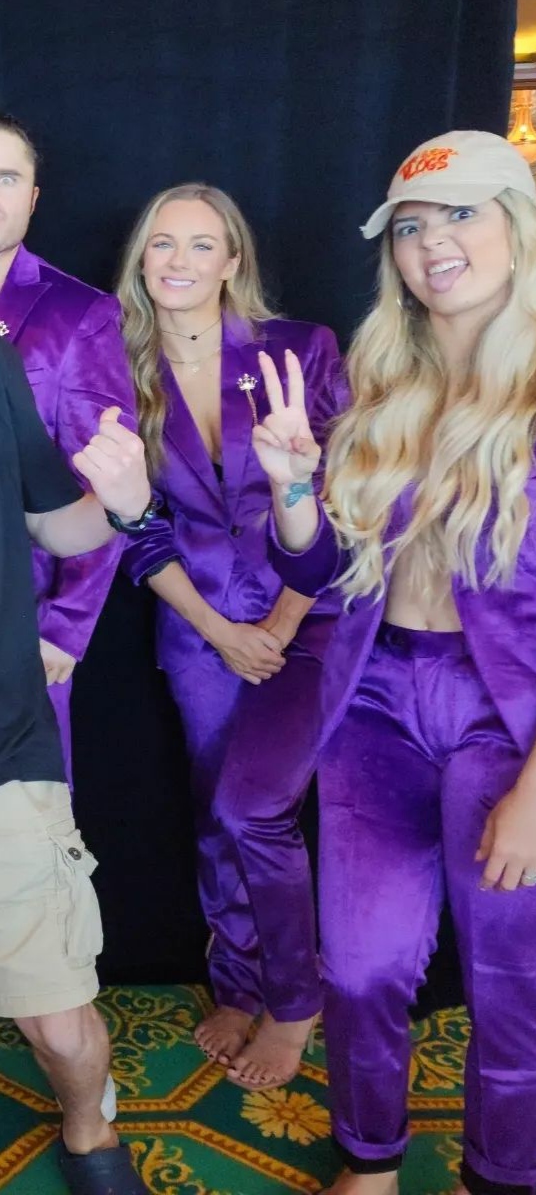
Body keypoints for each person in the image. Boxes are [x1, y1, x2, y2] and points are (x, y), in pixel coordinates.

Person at [252, 131, 536, 1194]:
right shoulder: (383, 386)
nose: (432, 243)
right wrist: (291, 487)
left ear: (520, 226)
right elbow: (325, 568)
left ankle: (498, 1176)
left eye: (461, 213)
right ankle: (368, 1161)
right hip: (374, 700)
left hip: (509, 719)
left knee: (513, 980)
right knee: (364, 966)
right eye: (411, 226)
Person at [117, 183, 346, 1088]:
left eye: (201, 244)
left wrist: (282, 620)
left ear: (233, 261)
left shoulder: (301, 348)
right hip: (196, 625)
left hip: (311, 615)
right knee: (219, 812)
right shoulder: (118, 367)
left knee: (260, 810)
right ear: (142, 259)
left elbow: (345, 493)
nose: (178, 261)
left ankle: (294, 999)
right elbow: (136, 527)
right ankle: (239, 983)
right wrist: (218, 631)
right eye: (161, 243)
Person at [0, 335, 155, 1195]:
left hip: (4, 751)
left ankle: (90, 1128)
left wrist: (125, 504)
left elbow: (57, 523)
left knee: (58, 1024)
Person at [0, 113, 136, 787]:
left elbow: (101, 479)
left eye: (6, 177)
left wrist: (64, 625)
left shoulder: (78, 312)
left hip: (22, 629)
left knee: (25, 828)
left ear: (32, 197)